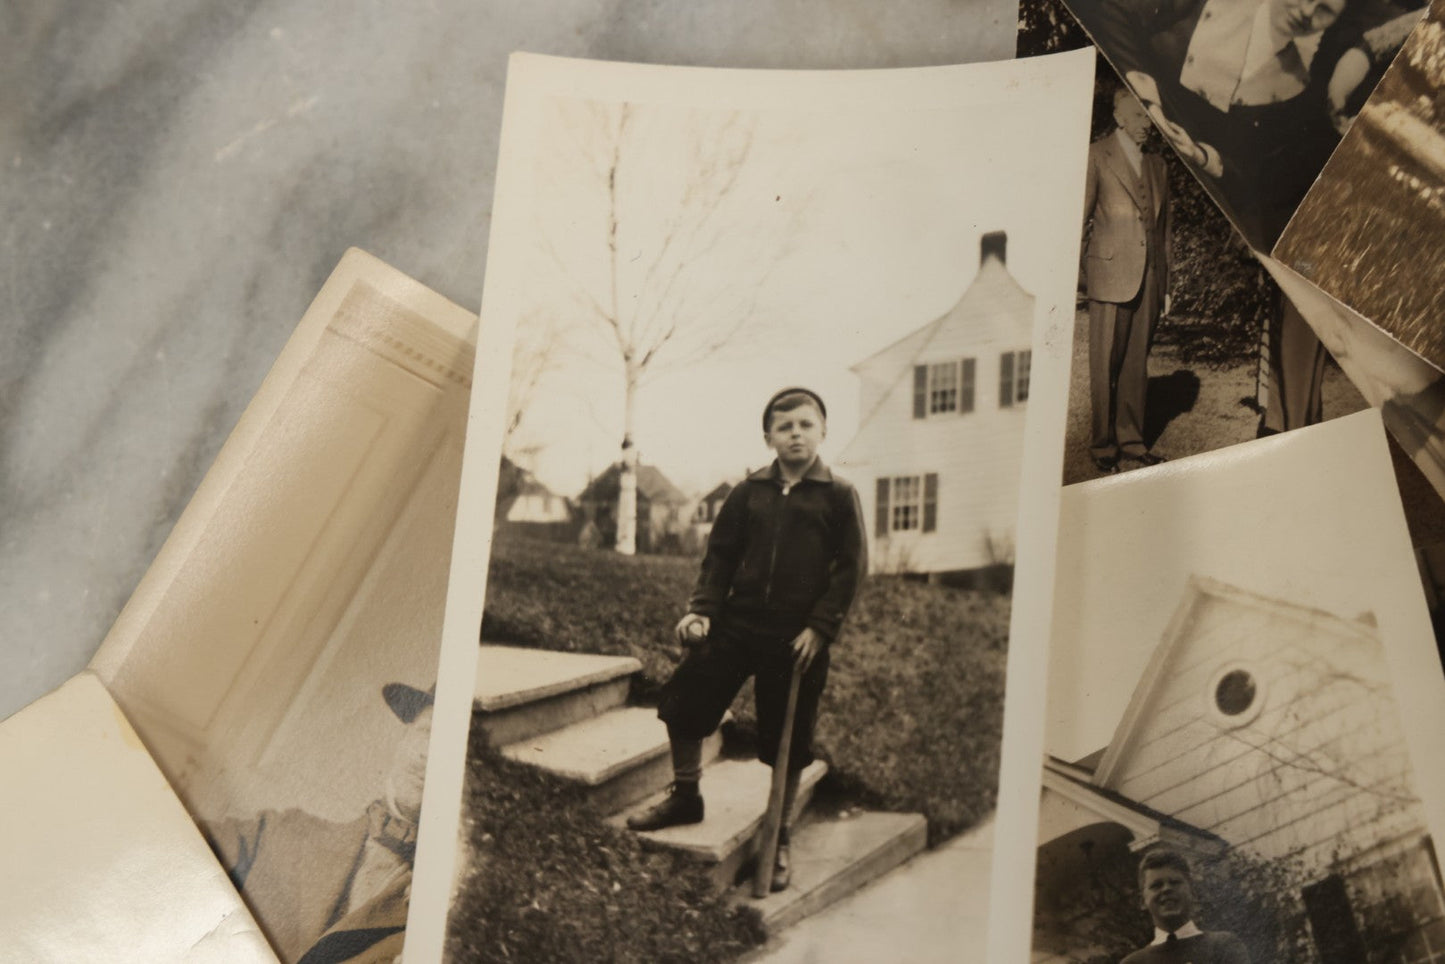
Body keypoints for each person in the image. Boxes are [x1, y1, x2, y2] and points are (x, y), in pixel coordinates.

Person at [625, 387, 867, 894]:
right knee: (686, 699)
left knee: (787, 738)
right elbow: (719, 560)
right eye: (785, 427)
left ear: (823, 431)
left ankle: (778, 836)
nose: (795, 433)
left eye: (805, 424)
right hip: (737, 625)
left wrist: (821, 628)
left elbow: (850, 570)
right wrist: (702, 612)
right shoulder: (747, 492)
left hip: (796, 637)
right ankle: (686, 795)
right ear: (768, 437)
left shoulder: (839, 496)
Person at [209, 682, 433, 964]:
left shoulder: (450, 923)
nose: (430, 754)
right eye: (427, 732)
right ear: (405, 737)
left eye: (457, 753)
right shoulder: (277, 833)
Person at [1083, 86, 1173, 474]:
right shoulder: (1096, 156)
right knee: (1106, 363)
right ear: (1120, 116)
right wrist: (1084, 277)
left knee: (1137, 363)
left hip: (1150, 279)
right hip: (1108, 275)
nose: (1147, 125)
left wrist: (1166, 284)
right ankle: (1103, 446)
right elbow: (1078, 219)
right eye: (1140, 116)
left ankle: (1132, 442)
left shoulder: (1158, 165)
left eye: (1149, 118)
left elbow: (1165, 230)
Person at [1121, 849, 1252, 964]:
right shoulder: (1133, 963)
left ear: (1193, 891)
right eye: (1156, 885)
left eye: (1175, 882)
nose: (1166, 889)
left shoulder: (1222, 946)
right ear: (1142, 901)